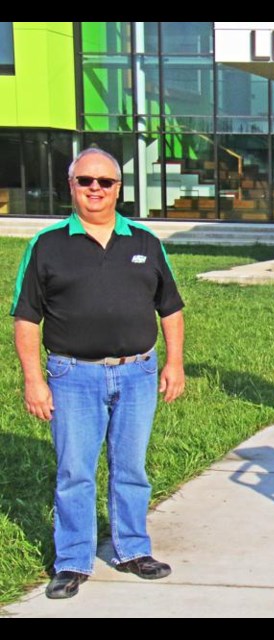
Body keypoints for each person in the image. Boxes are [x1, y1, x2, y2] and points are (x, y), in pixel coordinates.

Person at [11, 148, 186, 599]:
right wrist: (34, 380)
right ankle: (72, 559)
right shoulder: (47, 245)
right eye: (85, 180)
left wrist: (174, 362)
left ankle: (132, 549)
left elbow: (170, 308)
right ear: (71, 186)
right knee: (75, 471)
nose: (95, 189)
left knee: (131, 468)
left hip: (137, 374)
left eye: (104, 182)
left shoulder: (145, 243)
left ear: (118, 189)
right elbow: (26, 318)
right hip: (73, 376)